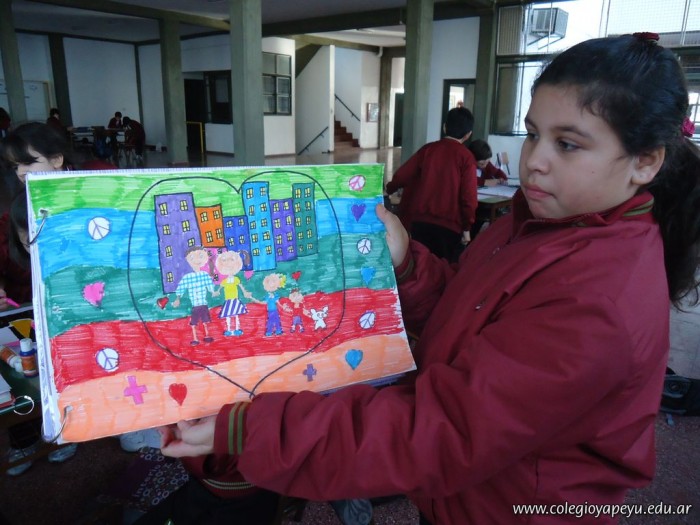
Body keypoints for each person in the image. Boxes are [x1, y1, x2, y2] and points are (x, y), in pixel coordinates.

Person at [157, 33, 700, 525]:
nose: (534, 160)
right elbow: (471, 315)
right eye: (534, 134)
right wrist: (407, 264)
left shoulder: (599, 299)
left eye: (569, 144)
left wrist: (249, 430)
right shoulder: (533, 223)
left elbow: (443, 430)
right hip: (466, 495)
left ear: (645, 162)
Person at [2, 191, 78, 473]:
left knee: (63, 378)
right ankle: (24, 441)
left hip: (63, 320)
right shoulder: (10, 244)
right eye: (28, 242)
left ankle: (64, 433)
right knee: (24, 380)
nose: (37, 246)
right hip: (22, 319)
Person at [385, 106, 477, 262]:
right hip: (449, 227)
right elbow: (468, 197)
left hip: (420, 222)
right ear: (468, 134)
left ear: (444, 127)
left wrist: (389, 189)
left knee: (420, 264)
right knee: (443, 267)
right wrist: (467, 227)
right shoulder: (466, 157)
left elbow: (403, 174)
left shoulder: (428, 149)